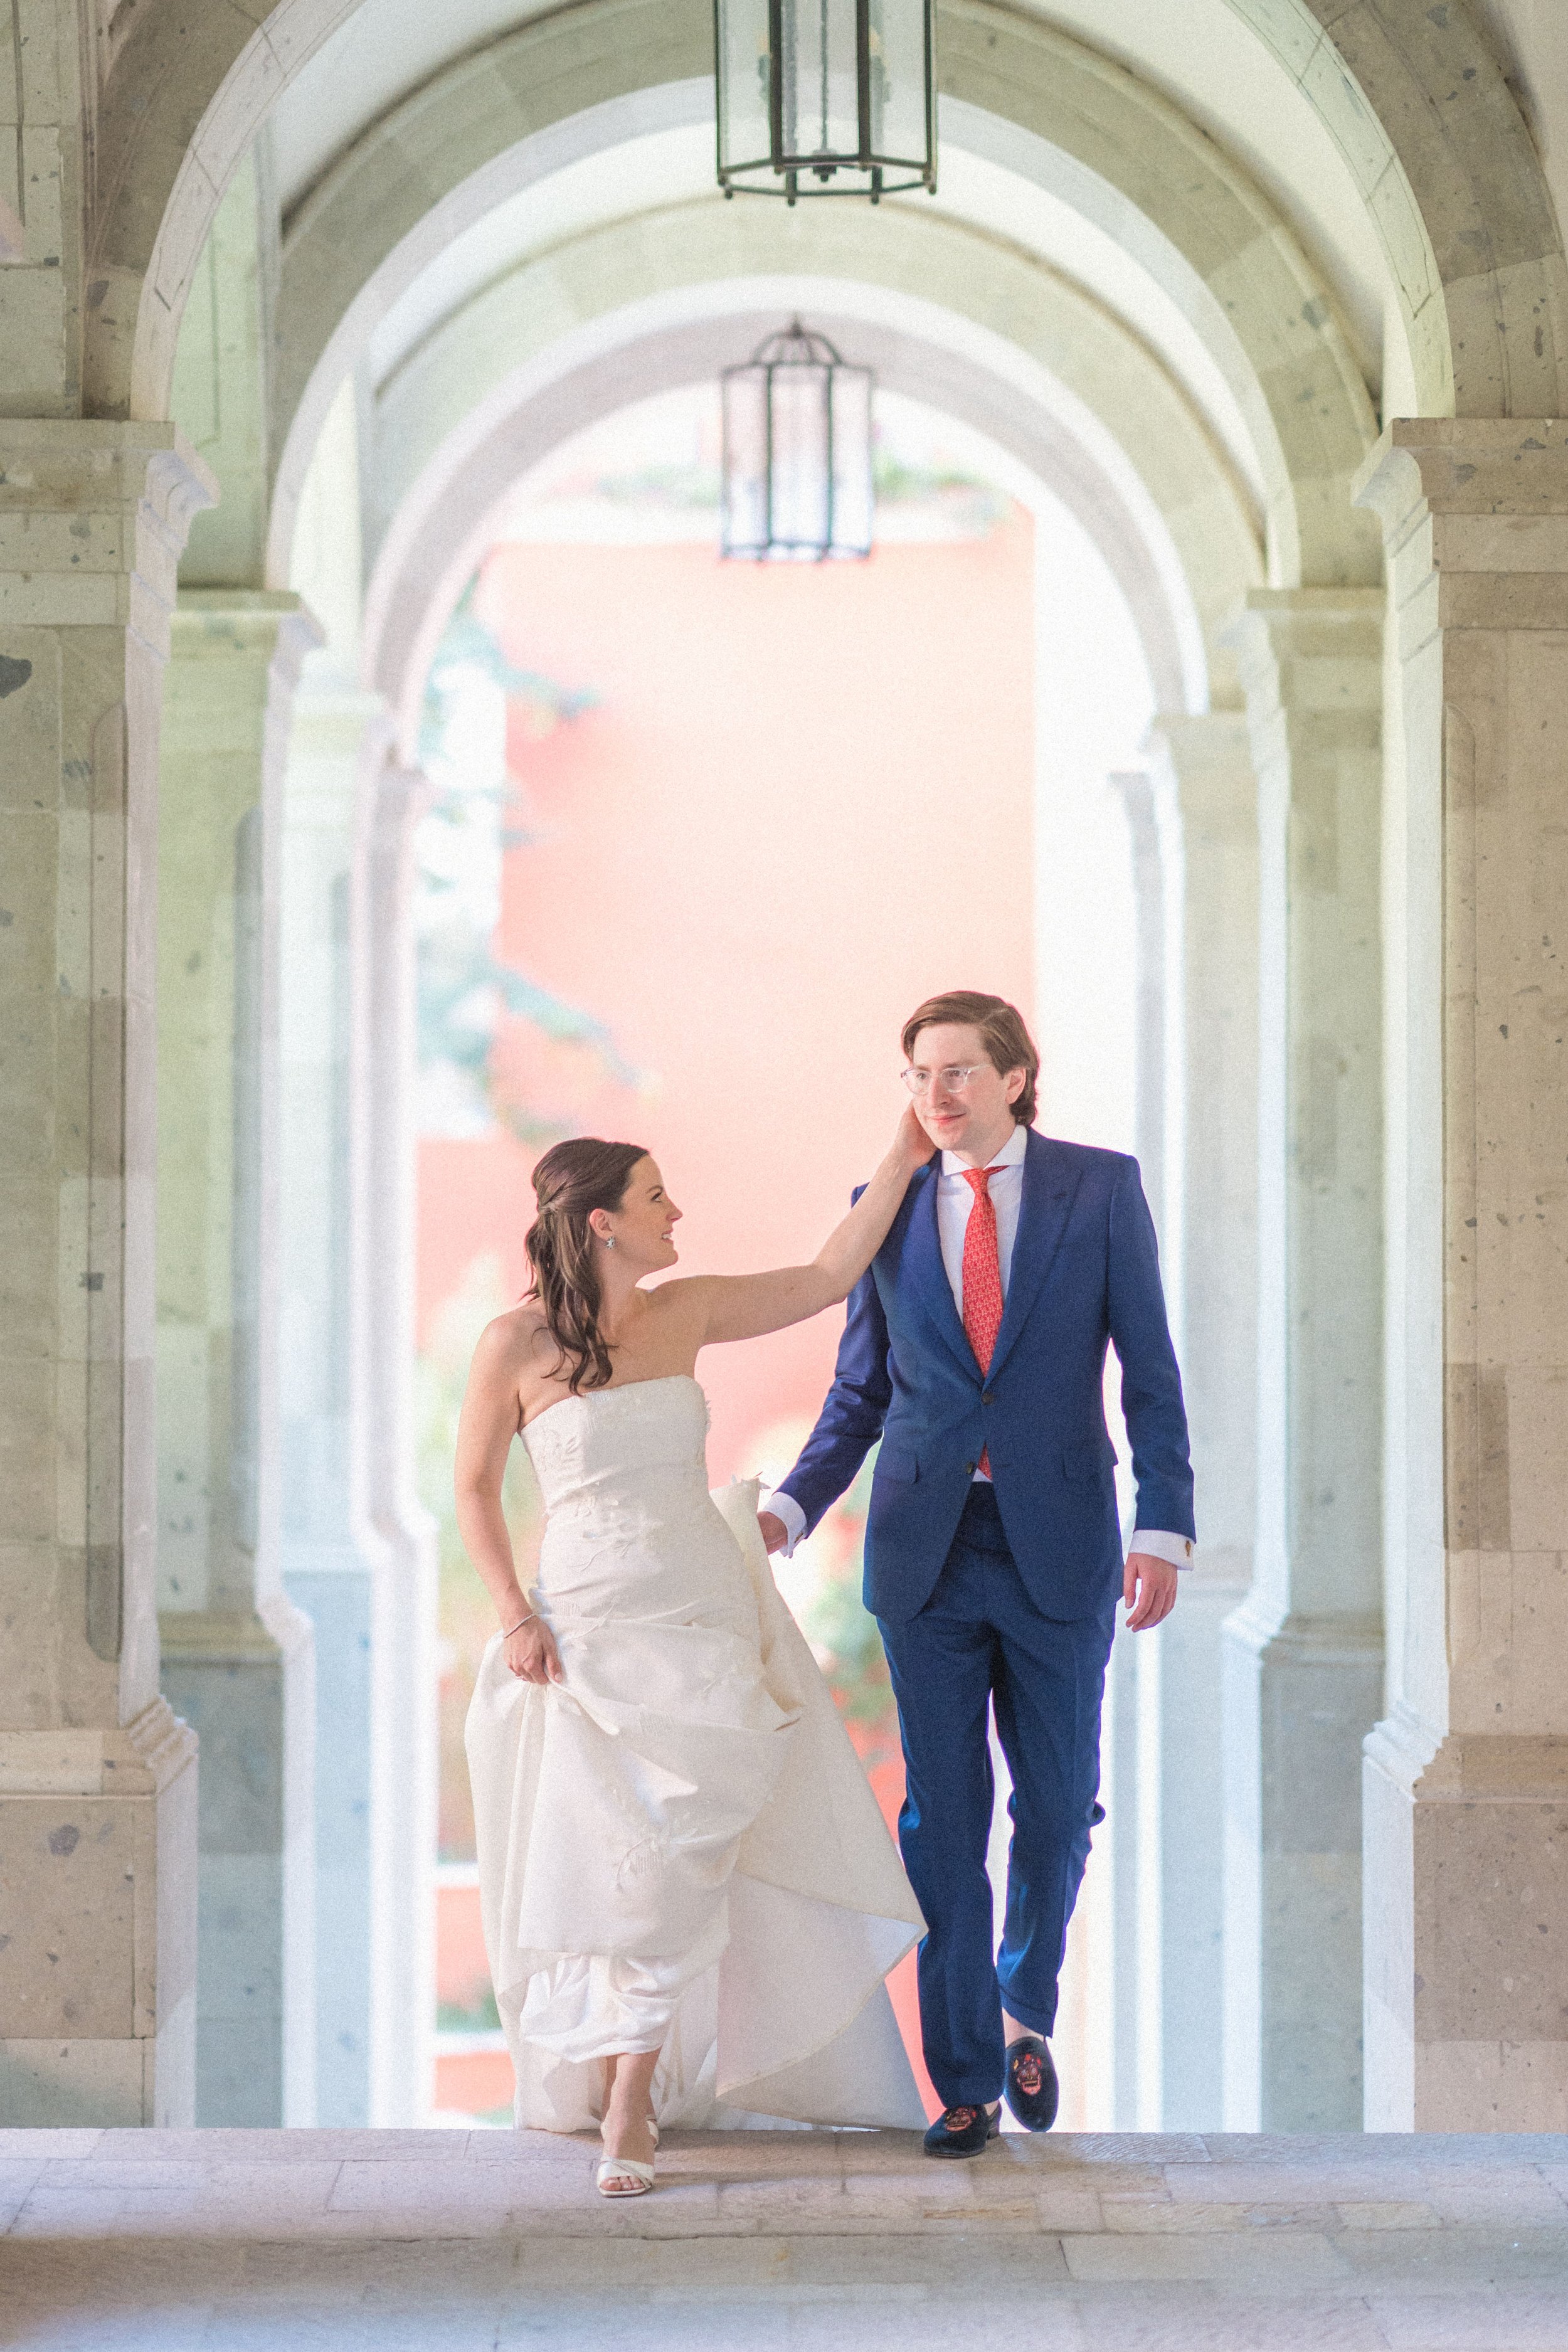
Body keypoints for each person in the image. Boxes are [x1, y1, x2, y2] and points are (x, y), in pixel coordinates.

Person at [455, 1115, 931, 2197]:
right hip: (583, 1635)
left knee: (686, 1850)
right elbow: (474, 1487)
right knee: (623, 1864)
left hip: (703, 1618)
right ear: (602, 1223)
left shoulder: (693, 1308)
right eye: (659, 1196)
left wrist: (899, 1158)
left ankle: (635, 2094)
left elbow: (824, 1274)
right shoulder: (511, 1347)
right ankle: (622, 2088)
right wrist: (510, 1612)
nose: (679, 1213)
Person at [760, 990, 1195, 2157]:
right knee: (942, 1822)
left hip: (1061, 1543)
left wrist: (1164, 1525)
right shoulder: (883, 1208)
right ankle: (964, 2081)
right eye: (917, 1075)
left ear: (1014, 1077)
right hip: (927, 1553)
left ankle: (1023, 2001)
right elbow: (861, 1391)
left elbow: (1150, 1370)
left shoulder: (1100, 1190)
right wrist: (791, 1505)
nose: (935, 1095)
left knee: (1055, 1806)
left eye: (958, 1071)